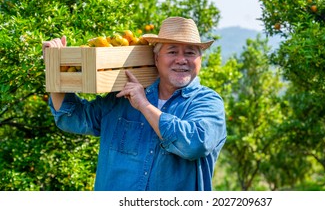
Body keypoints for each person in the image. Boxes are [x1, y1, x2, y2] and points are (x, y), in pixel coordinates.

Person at [42, 17, 227, 191]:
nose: (181, 59)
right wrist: (55, 66)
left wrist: (144, 105)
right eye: (172, 51)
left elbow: (194, 144)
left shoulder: (208, 103)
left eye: (190, 53)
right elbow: (72, 117)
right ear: (156, 58)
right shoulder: (122, 97)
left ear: (199, 60)